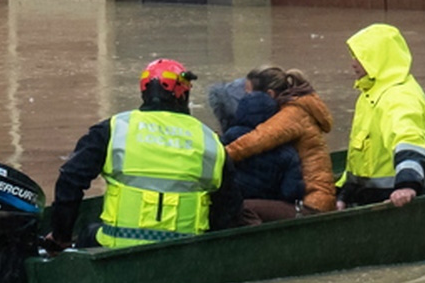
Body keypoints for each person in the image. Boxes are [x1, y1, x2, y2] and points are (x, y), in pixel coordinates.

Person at [44, 58, 242, 250]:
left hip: (117, 244)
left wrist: (61, 235)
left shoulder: (114, 128)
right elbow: (229, 204)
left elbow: (70, 178)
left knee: (88, 232)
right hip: (186, 250)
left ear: (143, 92)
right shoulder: (209, 140)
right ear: (183, 94)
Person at [337, 23, 425, 208]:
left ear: (377, 59)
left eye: (360, 56)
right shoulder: (370, 95)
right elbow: (361, 159)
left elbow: (409, 139)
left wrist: (407, 185)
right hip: (378, 198)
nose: (353, 63)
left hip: (411, 199)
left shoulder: (399, 97)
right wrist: (345, 193)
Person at [223, 66, 336, 219]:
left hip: (311, 203)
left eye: (249, 94)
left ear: (269, 94)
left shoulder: (292, 113)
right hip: (305, 198)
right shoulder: (292, 108)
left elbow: (258, 139)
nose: (245, 98)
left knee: (242, 208)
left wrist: (221, 155)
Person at [222, 88, 306, 212]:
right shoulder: (287, 153)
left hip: (232, 208)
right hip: (266, 210)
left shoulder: (228, 139)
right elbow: (291, 193)